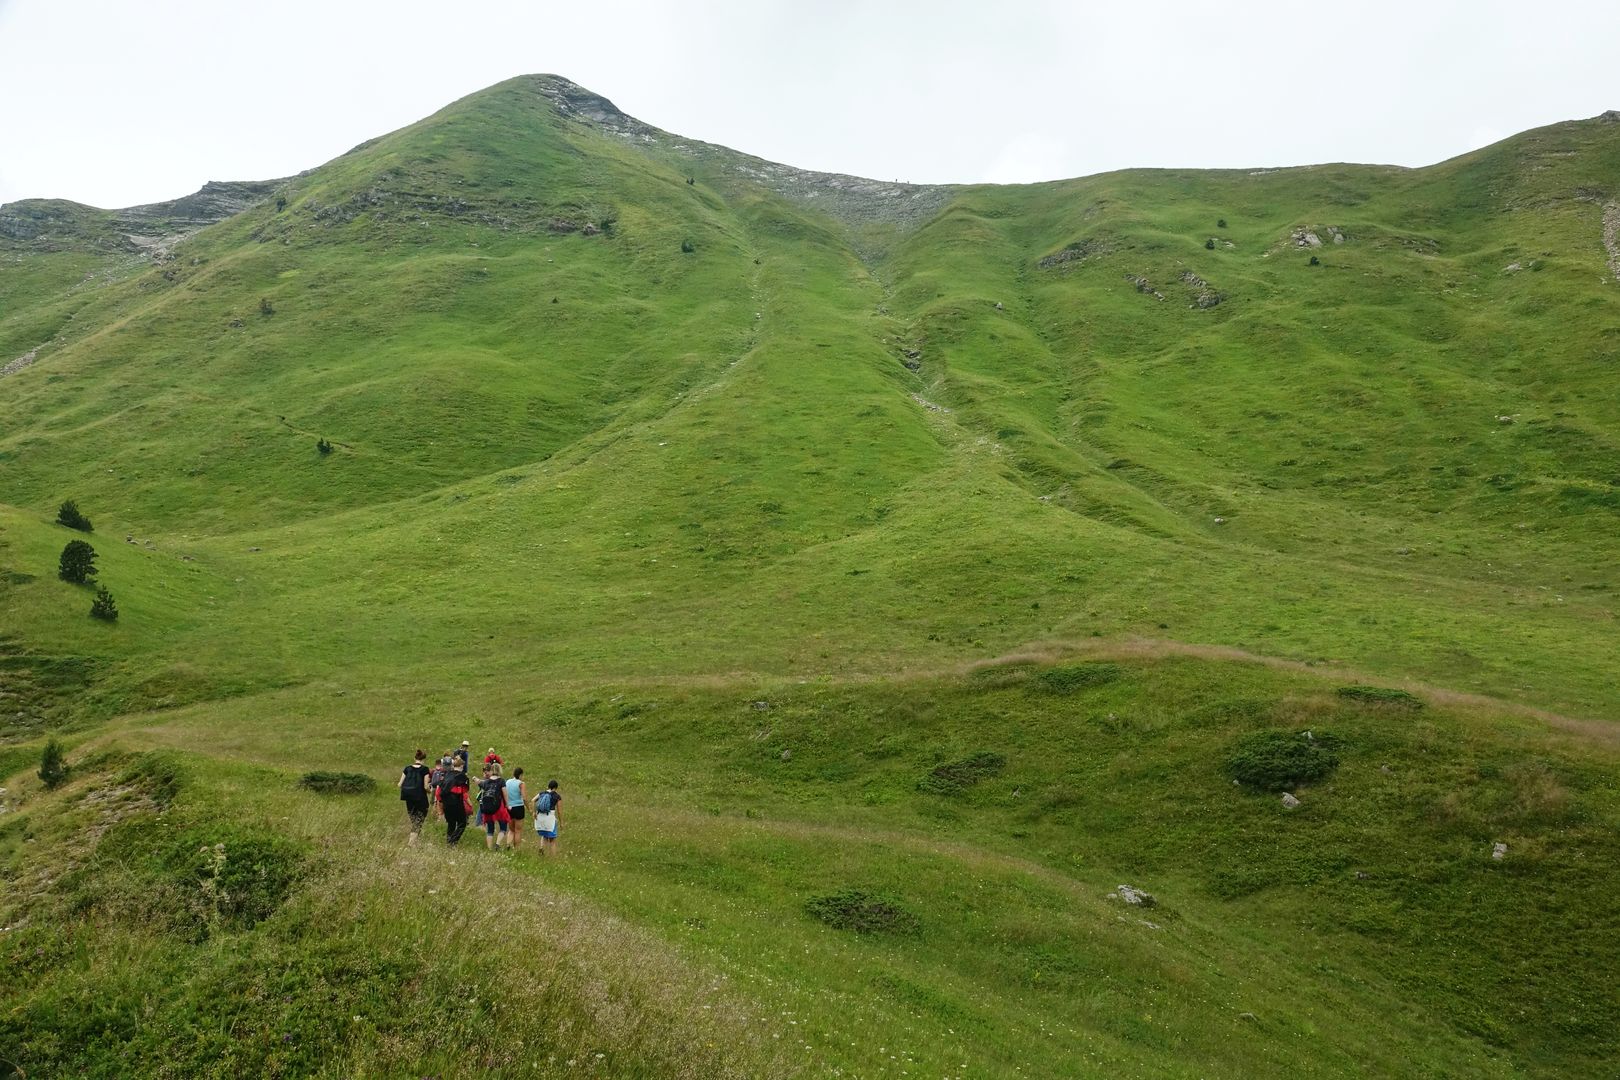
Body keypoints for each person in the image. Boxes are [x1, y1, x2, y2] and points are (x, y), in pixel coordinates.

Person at [398, 749, 431, 844]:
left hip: (408, 797)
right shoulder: (425, 769)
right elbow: (425, 786)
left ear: (414, 758)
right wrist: (430, 790)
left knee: (414, 819)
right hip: (420, 798)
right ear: (424, 759)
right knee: (419, 819)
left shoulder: (407, 768)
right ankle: (411, 843)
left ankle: (415, 841)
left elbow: (400, 784)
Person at [476, 766, 511, 850]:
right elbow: (505, 793)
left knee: (490, 830)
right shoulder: (501, 781)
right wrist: (507, 804)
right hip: (499, 807)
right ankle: (497, 844)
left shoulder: (486, 782)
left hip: (487, 807)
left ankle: (489, 849)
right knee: (503, 828)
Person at [441, 760, 471, 845]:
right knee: (462, 823)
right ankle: (452, 841)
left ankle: (449, 841)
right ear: (461, 766)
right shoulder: (462, 776)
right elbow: (465, 789)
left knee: (451, 823)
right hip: (456, 802)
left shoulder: (447, 774)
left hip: (446, 803)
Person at [534, 779, 562, 856]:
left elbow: (533, 800)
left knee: (544, 835)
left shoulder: (542, 793)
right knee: (552, 840)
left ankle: (542, 848)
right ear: (556, 788)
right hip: (550, 818)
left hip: (540, 817)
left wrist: (534, 812)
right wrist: (561, 822)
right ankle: (553, 858)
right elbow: (559, 811)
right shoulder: (557, 796)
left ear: (548, 786)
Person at [504, 767, 527, 851]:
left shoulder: (507, 782)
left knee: (511, 829)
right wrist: (528, 807)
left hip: (509, 807)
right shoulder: (521, 783)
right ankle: (516, 849)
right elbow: (524, 798)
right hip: (519, 807)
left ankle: (508, 844)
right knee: (518, 830)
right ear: (520, 775)